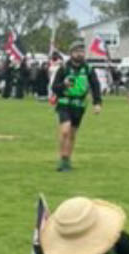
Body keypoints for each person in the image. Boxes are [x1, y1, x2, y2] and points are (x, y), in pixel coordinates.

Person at [49, 42, 101, 171]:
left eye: (82, 51)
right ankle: (62, 158)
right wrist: (64, 85)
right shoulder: (64, 68)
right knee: (65, 131)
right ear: (71, 53)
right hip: (65, 103)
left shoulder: (88, 69)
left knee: (72, 134)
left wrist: (97, 103)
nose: (80, 54)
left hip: (80, 105)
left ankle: (67, 160)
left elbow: (95, 86)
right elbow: (54, 87)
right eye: (77, 51)